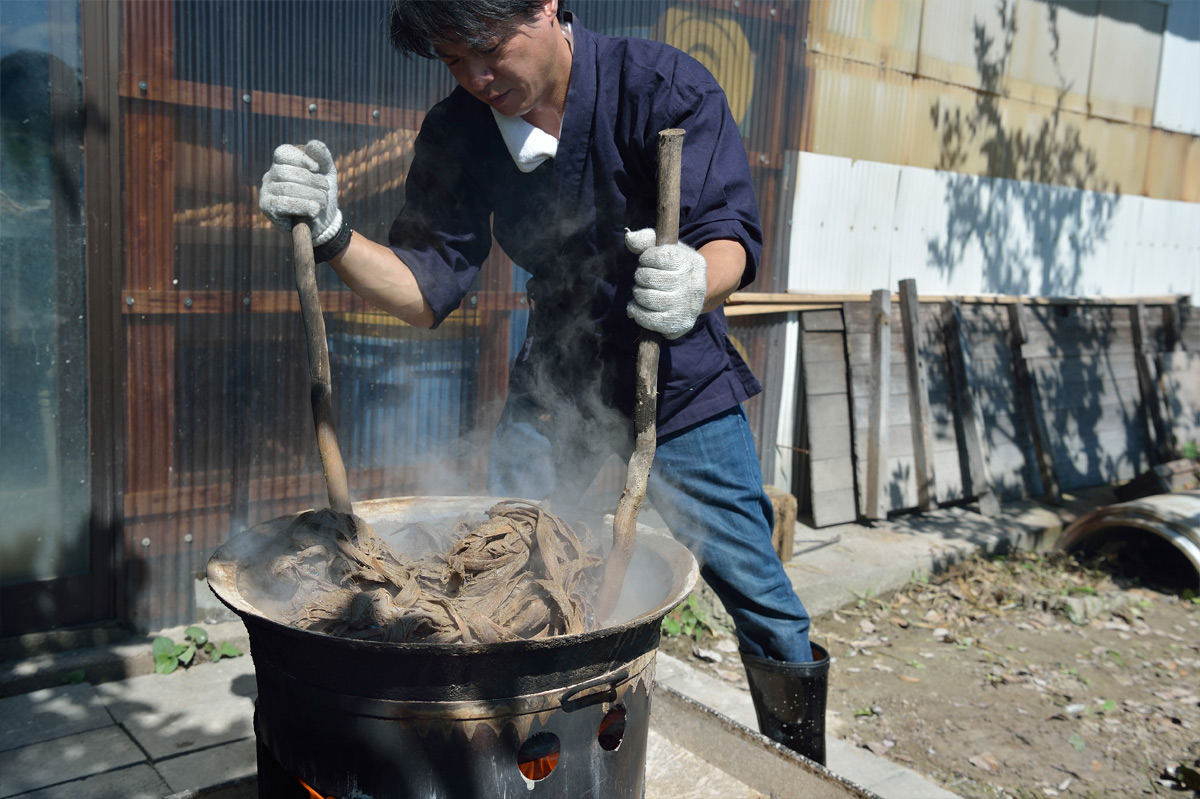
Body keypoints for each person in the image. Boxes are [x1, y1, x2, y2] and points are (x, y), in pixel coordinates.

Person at [260, 0, 828, 762]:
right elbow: (425, 288)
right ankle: (529, 761)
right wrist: (332, 233)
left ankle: (801, 761)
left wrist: (696, 277)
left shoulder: (663, 87)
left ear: (548, 4)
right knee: (506, 566)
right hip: (554, 393)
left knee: (762, 596)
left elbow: (728, 234)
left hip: (680, 382)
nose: (477, 77)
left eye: (489, 48)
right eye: (453, 60)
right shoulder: (460, 129)